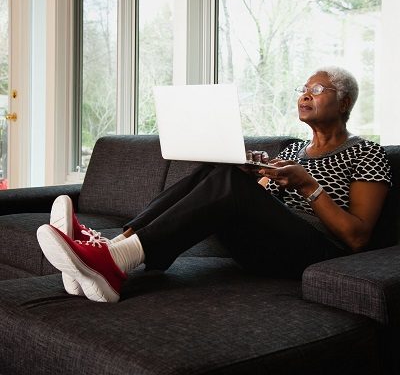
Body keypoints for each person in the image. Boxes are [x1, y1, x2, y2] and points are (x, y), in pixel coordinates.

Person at [37, 66, 392, 303]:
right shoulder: (296, 149)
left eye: (316, 89)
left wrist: (307, 185)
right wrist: (260, 178)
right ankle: (109, 253)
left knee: (227, 178)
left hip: (318, 253)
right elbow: (267, 203)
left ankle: (111, 262)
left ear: (344, 101)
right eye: (302, 90)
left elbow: (357, 239)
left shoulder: (367, 153)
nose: (304, 96)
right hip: (270, 243)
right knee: (219, 167)